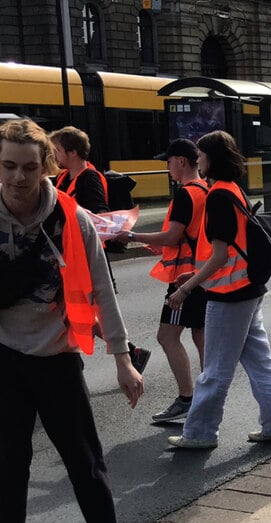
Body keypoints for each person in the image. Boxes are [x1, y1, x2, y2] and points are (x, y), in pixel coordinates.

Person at [0, 118, 141, 523]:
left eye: (28, 167)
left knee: (86, 463)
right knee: (7, 464)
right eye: (8, 166)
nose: (17, 177)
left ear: (47, 167)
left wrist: (122, 359)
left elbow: (102, 288)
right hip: (4, 360)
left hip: (57, 358)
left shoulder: (71, 217)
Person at [165, 130, 271, 450]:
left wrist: (188, 287)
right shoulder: (234, 189)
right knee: (260, 363)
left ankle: (199, 433)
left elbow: (221, 255)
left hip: (229, 294)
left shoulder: (218, 196)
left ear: (212, 159)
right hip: (248, 289)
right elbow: (233, 249)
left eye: (202, 156)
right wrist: (196, 274)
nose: (199, 160)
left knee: (215, 371)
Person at [114, 139, 208, 424]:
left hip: (184, 279)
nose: (167, 167)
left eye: (168, 162)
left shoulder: (185, 194)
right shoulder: (207, 189)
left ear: (181, 161)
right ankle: (207, 398)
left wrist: (131, 236)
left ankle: (187, 398)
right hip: (203, 273)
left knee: (167, 336)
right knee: (201, 335)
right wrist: (165, 245)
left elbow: (171, 236)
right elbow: (188, 236)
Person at [49, 126, 151, 374]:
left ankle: (82, 360)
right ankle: (130, 350)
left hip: (86, 256)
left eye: (57, 150)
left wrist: (77, 219)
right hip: (69, 255)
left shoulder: (89, 178)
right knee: (79, 311)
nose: (54, 156)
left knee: (87, 310)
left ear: (72, 152)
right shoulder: (65, 178)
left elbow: (100, 215)